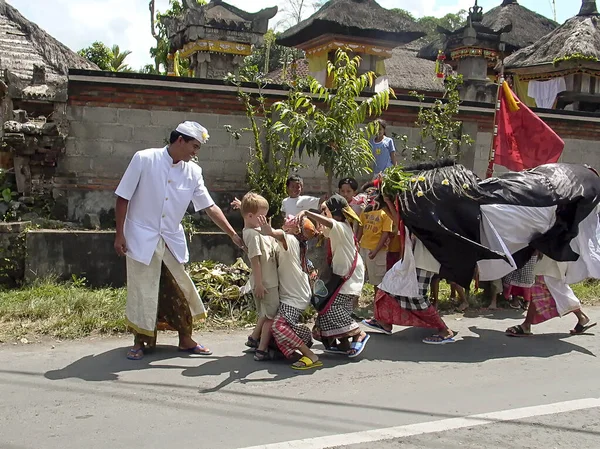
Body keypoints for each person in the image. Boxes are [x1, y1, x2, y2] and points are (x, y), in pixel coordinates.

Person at [114, 121, 244, 361]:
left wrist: (232, 234)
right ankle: (141, 341)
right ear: (180, 140)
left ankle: (186, 339)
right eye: (194, 146)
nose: (195, 153)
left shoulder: (193, 172)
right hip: (141, 238)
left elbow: (209, 206)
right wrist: (119, 234)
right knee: (144, 290)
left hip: (171, 240)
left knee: (180, 289)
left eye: (198, 149)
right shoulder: (144, 159)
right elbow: (123, 197)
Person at [300, 195, 371, 357]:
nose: (323, 213)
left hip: (349, 276)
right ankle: (343, 343)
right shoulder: (338, 227)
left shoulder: (340, 226)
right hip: (343, 274)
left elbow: (328, 223)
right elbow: (320, 230)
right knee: (334, 307)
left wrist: (306, 212)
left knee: (331, 308)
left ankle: (359, 333)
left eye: (326, 211)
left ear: (334, 212)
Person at [257, 214, 323, 370]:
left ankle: (310, 355)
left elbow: (279, 235)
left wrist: (271, 231)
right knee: (280, 324)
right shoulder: (294, 242)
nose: (288, 218)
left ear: (296, 229)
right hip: (295, 294)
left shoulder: (291, 240)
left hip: (295, 296)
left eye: (294, 220)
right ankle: (300, 340)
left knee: (277, 326)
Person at [240, 193, 280, 361]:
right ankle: (260, 347)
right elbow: (255, 261)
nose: (265, 220)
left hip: (267, 280)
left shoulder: (256, 231)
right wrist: (259, 283)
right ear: (250, 216)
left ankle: (254, 338)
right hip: (266, 282)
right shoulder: (252, 235)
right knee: (271, 314)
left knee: (265, 313)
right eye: (262, 216)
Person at [356, 188, 393, 299]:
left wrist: (376, 250)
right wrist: (356, 243)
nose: (370, 197)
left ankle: (378, 303)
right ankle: (356, 301)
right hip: (363, 248)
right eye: (368, 195)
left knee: (377, 280)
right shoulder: (365, 211)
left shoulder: (384, 213)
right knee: (359, 276)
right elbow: (361, 228)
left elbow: (385, 233)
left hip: (378, 251)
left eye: (372, 195)